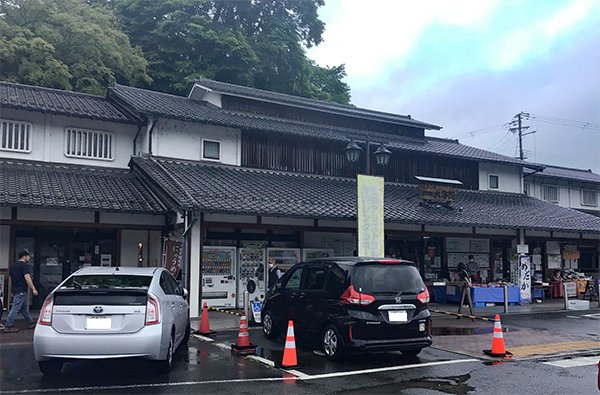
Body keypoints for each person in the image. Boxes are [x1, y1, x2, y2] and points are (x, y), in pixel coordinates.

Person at [4, 249, 38, 333]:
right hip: (21, 290)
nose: (29, 258)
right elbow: (27, 278)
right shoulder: (24, 265)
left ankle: (30, 322)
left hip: (15, 289)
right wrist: (33, 289)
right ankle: (8, 325)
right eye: (28, 256)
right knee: (15, 308)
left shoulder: (13, 266)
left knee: (24, 308)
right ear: (24, 256)